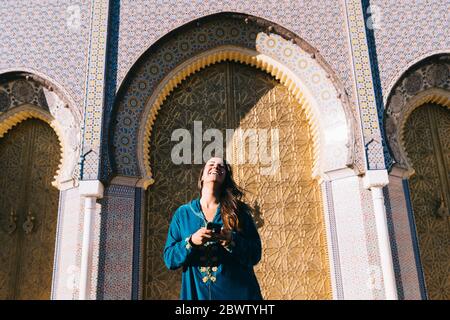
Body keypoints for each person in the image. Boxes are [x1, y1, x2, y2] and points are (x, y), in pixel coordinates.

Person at [163, 157, 263, 300]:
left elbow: (255, 253)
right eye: (211, 164)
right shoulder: (183, 214)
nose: (216, 167)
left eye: (221, 166)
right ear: (202, 175)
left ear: (226, 177)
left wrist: (231, 240)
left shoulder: (238, 212)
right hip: (197, 295)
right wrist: (191, 242)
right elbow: (169, 259)